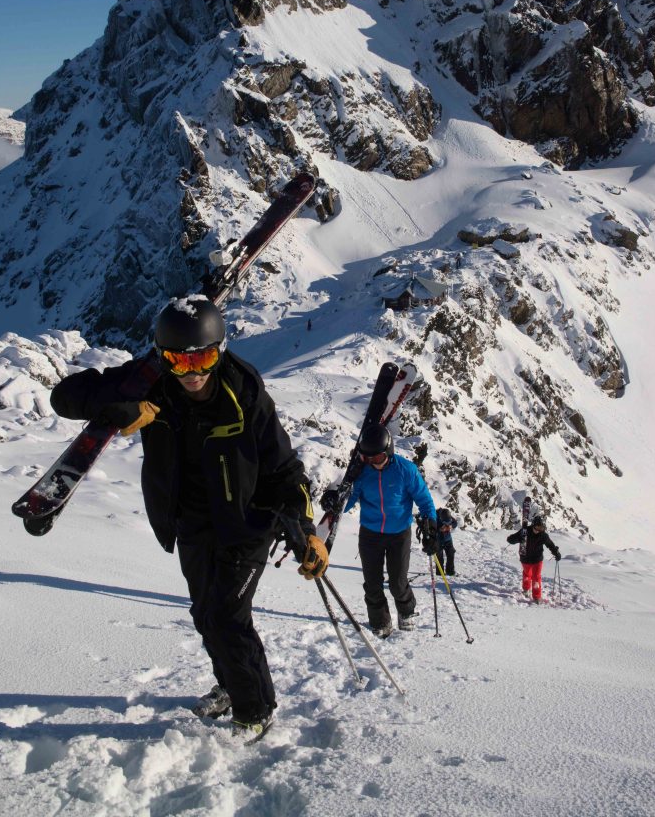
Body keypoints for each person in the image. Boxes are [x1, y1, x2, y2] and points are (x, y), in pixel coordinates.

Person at [50, 295, 328, 738]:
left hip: (248, 523)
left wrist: (305, 527)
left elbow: (283, 467)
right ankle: (230, 684)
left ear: (220, 350)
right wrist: (118, 409)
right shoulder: (150, 382)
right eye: (180, 361)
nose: (194, 371)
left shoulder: (245, 391)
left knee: (225, 615)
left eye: (204, 357)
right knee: (204, 613)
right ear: (163, 358)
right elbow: (63, 397)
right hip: (191, 522)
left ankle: (255, 708)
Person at [340, 424, 437, 637]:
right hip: (370, 534)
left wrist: (431, 527)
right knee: (372, 583)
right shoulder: (363, 473)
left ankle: (407, 611)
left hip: (398, 534)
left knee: (398, 582)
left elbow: (424, 501)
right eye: (368, 458)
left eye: (378, 458)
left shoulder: (406, 470)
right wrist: (336, 497)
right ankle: (380, 621)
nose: (373, 463)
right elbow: (348, 503)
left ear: (389, 451)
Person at [507, 514, 560, 603]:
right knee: (527, 574)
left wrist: (556, 553)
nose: (538, 530)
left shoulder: (543, 535)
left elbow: (550, 544)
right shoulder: (525, 531)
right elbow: (510, 540)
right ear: (533, 526)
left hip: (537, 559)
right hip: (525, 558)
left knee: (536, 577)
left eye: (541, 528)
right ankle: (526, 589)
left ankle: (536, 597)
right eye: (537, 527)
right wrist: (519, 539)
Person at [435, 507, 458, 576]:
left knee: (451, 552)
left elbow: (455, 523)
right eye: (445, 522)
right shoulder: (435, 517)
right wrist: (439, 530)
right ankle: (440, 573)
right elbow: (431, 529)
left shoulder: (447, 514)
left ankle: (450, 571)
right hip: (438, 539)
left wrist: (450, 526)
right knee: (439, 556)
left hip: (448, 538)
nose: (446, 523)